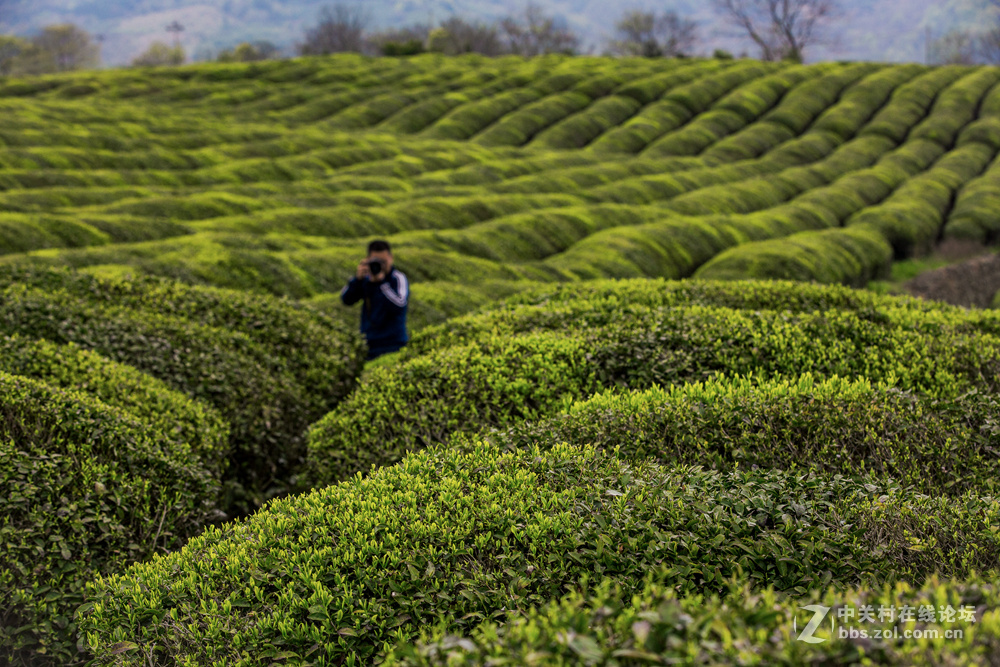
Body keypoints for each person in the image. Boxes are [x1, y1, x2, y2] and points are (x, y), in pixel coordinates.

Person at [340, 239, 409, 360]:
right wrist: (357, 280)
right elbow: (346, 299)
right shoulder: (366, 278)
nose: (380, 265)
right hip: (369, 343)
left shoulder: (397, 278)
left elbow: (400, 305)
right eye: (376, 261)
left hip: (394, 343)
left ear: (391, 258)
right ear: (368, 260)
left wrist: (381, 283)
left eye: (383, 261)